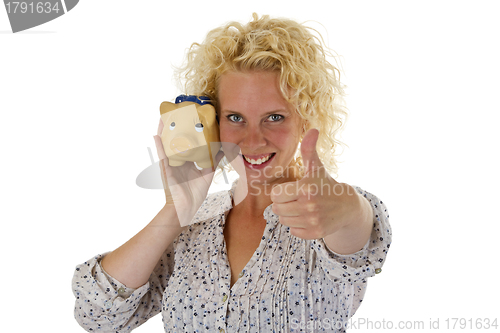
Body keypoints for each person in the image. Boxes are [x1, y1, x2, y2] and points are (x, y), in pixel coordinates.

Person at [72, 13, 391, 332]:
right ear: (212, 122)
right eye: (236, 117)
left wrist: (348, 208)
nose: (253, 140)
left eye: (275, 117)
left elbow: (357, 222)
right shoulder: (193, 225)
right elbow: (97, 316)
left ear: (305, 119)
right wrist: (174, 211)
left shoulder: (323, 211)